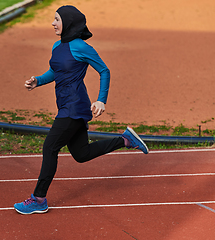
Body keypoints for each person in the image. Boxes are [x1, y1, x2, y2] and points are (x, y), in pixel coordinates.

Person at [14, 5, 148, 215]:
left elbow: (104, 70)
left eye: (57, 19)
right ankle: (125, 140)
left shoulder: (81, 47)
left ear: (68, 22)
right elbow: (55, 71)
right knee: (81, 154)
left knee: (50, 147)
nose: (53, 23)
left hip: (74, 107)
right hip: (66, 105)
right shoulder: (57, 47)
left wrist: (101, 100)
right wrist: (38, 81)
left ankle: (38, 198)